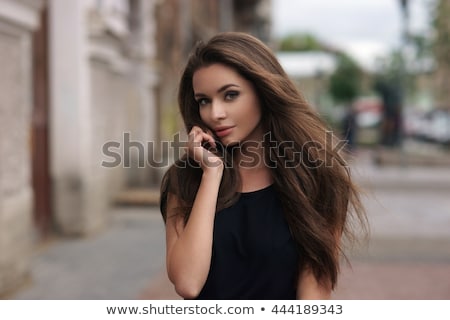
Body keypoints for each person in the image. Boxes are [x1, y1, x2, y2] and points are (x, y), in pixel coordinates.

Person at [160, 32, 367, 300]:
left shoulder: (315, 178)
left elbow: (313, 298)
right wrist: (212, 175)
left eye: (230, 95)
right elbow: (188, 283)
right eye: (204, 101)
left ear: (263, 91)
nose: (215, 113)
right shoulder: (185, 179)